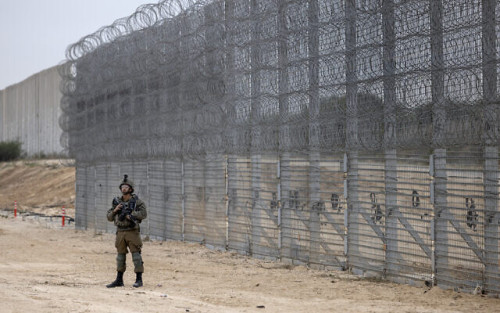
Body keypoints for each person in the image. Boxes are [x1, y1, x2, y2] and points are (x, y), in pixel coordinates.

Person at [106, 174, 148, 288]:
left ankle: (139, 279)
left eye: (126, 187)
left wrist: (131, 215)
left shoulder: (137, 202)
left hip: (132, 232)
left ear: (130, 189)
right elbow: (109, 217)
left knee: (136, 256)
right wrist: (115, 210)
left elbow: (144, 214)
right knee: (120, 257)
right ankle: (119, 280)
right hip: (120, 232)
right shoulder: (116, 202)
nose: (124, 188)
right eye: (122, 186)